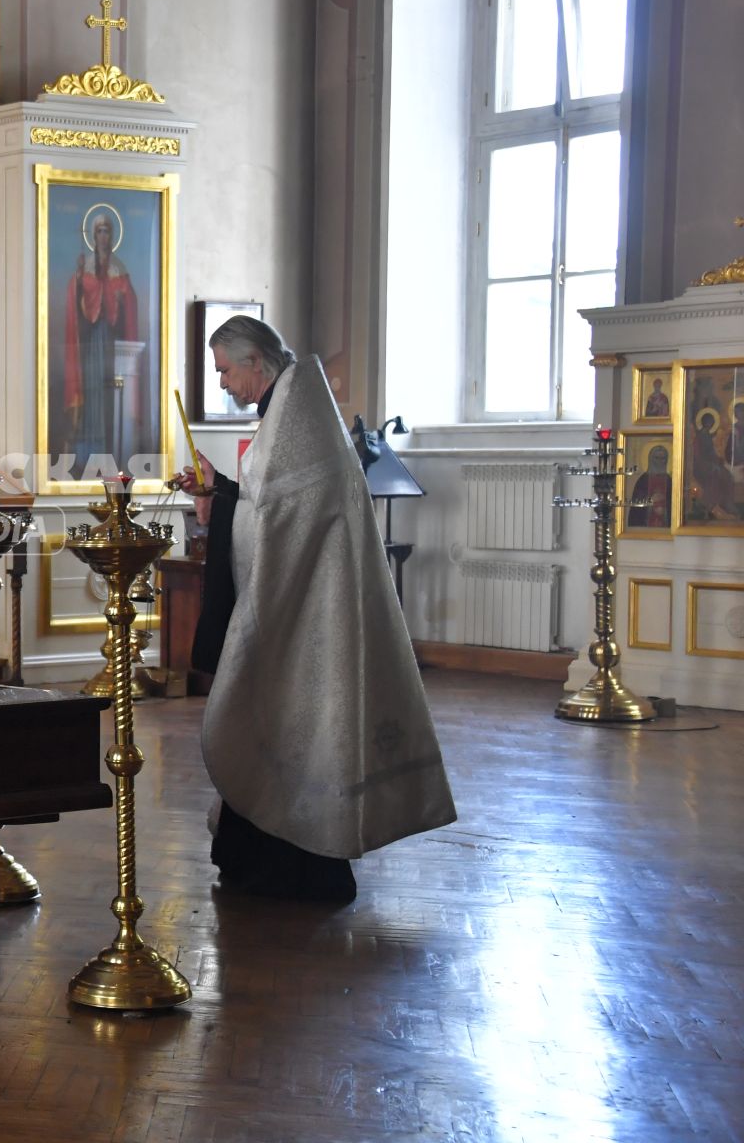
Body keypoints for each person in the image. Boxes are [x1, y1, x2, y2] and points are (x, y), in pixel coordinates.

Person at [169, 315, 454, 902]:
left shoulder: (296, 416)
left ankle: (295, 868)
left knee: (294, 724)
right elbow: (272, 510)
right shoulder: (292, 410)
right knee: (281, 725)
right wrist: (221, 493)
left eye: (225, 369)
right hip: (300, 608)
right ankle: (263, 860)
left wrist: (220, 507)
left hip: (306, 617)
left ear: (255, 362)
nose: (223, 382)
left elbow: (275, 520)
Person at [62, 207, 139, 465]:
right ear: (94, 237)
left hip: (111, 346)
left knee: (109, 398)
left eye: (107, 231)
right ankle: (88, 453)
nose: (103, 236)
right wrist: (80, 285)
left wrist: (120, 299)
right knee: (91, 392)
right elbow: (76, 308)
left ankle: (111, 451)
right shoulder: (86, 271)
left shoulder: (119, 270)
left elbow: (129, 306)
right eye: (99, 232)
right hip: (91, 344)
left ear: (112, 235)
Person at [629, 445, 672, 529]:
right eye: (656, 458)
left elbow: (673, 502)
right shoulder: (643, 480)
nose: (660, 461)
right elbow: (637, 503)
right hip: (646, 522)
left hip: (665, 522)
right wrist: (651, 500)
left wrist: (664, 503)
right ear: (651, 459)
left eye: (662, 458)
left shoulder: (669, 480)